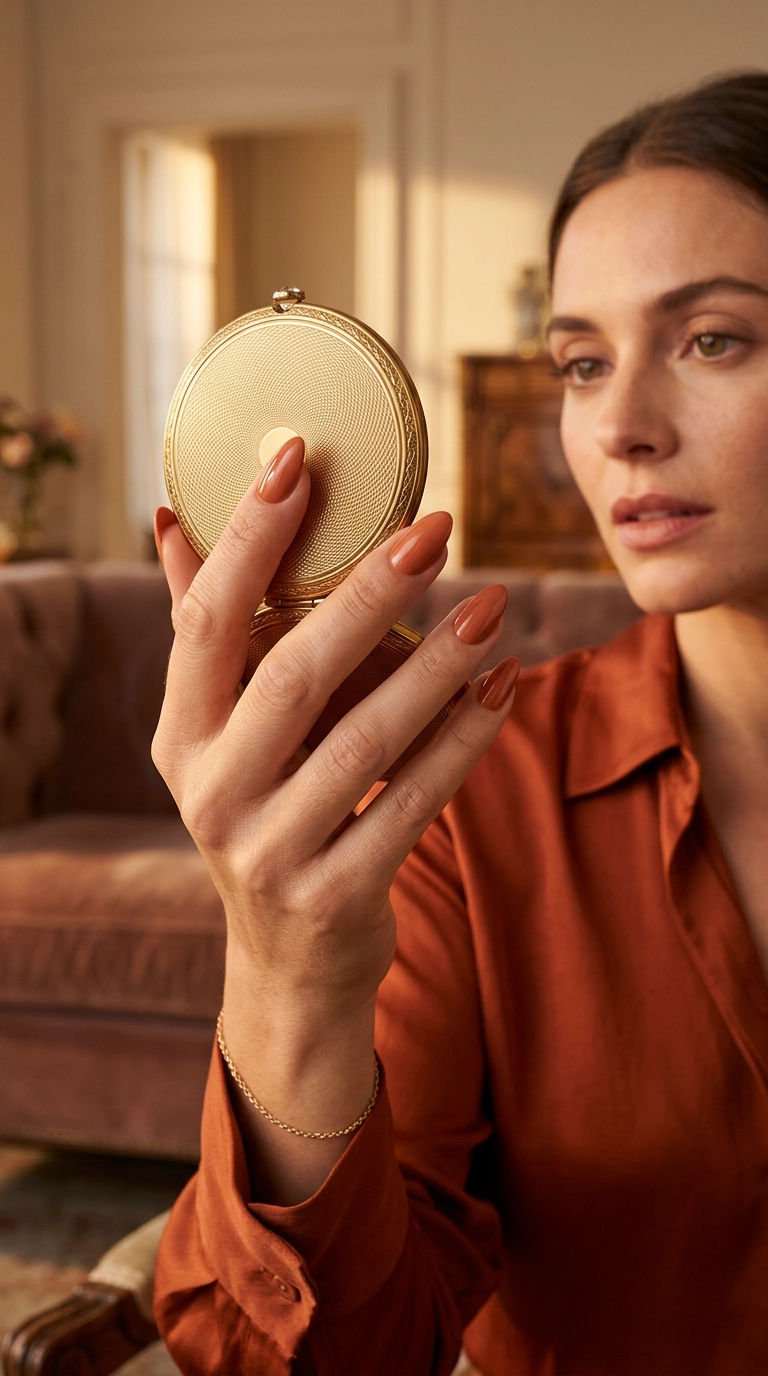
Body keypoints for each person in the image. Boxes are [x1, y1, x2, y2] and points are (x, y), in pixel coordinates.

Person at [151, 71, 768, 1375]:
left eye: (715, 339)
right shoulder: (476, 796)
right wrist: (289, 985)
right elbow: (338, 1352)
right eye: (582, 363)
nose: (618, 427)